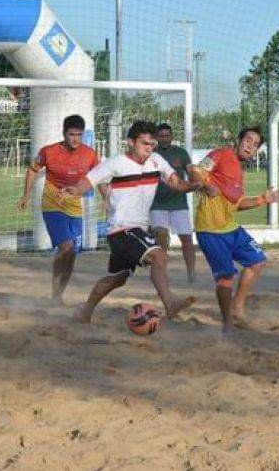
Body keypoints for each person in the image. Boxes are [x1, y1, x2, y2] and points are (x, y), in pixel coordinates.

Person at [61, 121, 199, 324]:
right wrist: (75, 190)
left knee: (117, 278)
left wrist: (192, 186)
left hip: (135, 230)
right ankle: (170, 305)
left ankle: (85, 311)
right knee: (159, 256)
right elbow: (88, 181)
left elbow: (175, 182)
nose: (149, 149)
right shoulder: (115, 163)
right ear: (131, 142)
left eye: (152, 144)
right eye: (145, 144)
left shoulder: (156, 160)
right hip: (122, 229)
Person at [189, 127, 279, 334]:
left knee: (258, 262)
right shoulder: (221, 154)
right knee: (225, 278)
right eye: (248, 140)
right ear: (239, 140)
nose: (251, 146)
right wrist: (204, 186)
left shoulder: (239, 172)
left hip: (230, 228)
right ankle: (227, 323)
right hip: (210, 230)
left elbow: (238, 203)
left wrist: (262, 199)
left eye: (255, 145)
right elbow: (196, 170)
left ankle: (236, 307)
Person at [17, 115, 106, 303]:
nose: (75, 139)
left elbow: (99, 177)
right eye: (71, 134)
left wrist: (106, 198)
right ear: (64, 133)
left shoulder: (90, 154)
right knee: (65, 247)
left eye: (79, 135)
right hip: (52, 205)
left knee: (72, 252)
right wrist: (26, 194)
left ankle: (59, 294)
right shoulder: (48, 152)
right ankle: (55, 295)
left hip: (74, 206)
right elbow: (33, 169)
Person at [150, 123, 196, 282]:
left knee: (187, 239)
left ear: (172, 136)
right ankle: (161, 272)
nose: (164, 138)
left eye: (167, 135)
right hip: (157, 204)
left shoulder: (181, 153)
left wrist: (195, 182)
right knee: (161, 237)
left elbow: (191, 172)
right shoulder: (151, 154)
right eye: (161, 136)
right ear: (156, 137)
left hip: (179, 204)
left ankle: (191, 273)